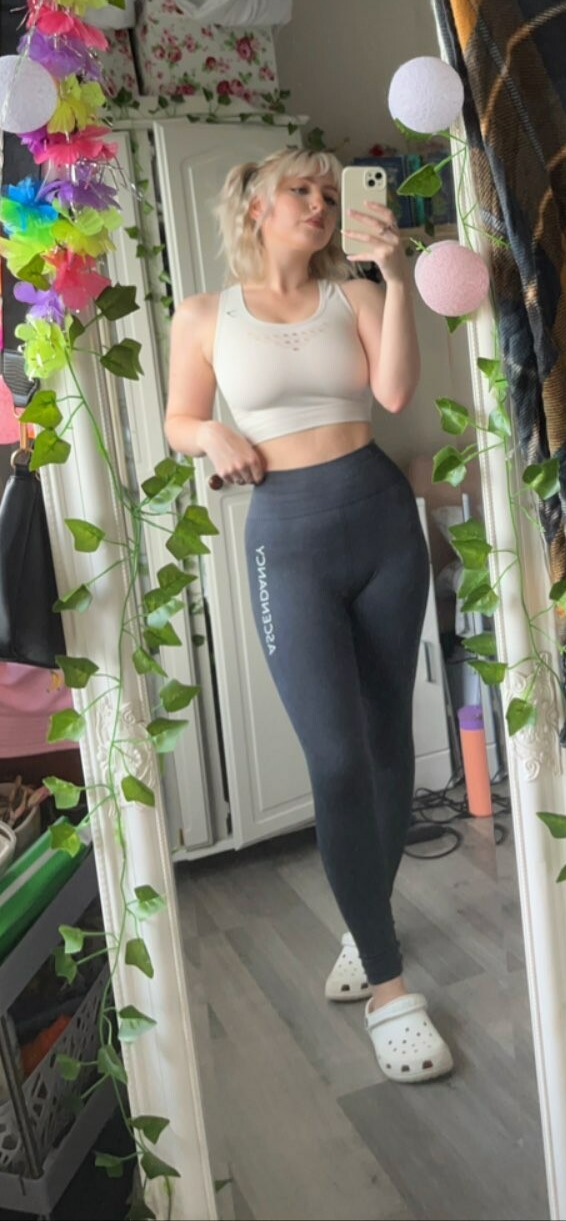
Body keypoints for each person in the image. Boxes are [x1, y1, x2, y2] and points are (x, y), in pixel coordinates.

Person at [164, 147, 453, 1083]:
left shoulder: (354, 295)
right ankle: (389, 991)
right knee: (335, 759)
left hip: (381, 520)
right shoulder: (203, 316)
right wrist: (210, 432)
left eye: (331, 193)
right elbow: (178, 419)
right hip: (285, 537)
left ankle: (367, 929)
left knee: (389, 741)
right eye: (302, 190)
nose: (321, 204)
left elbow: (395, 393)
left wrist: (397, 279)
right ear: (255, 204)